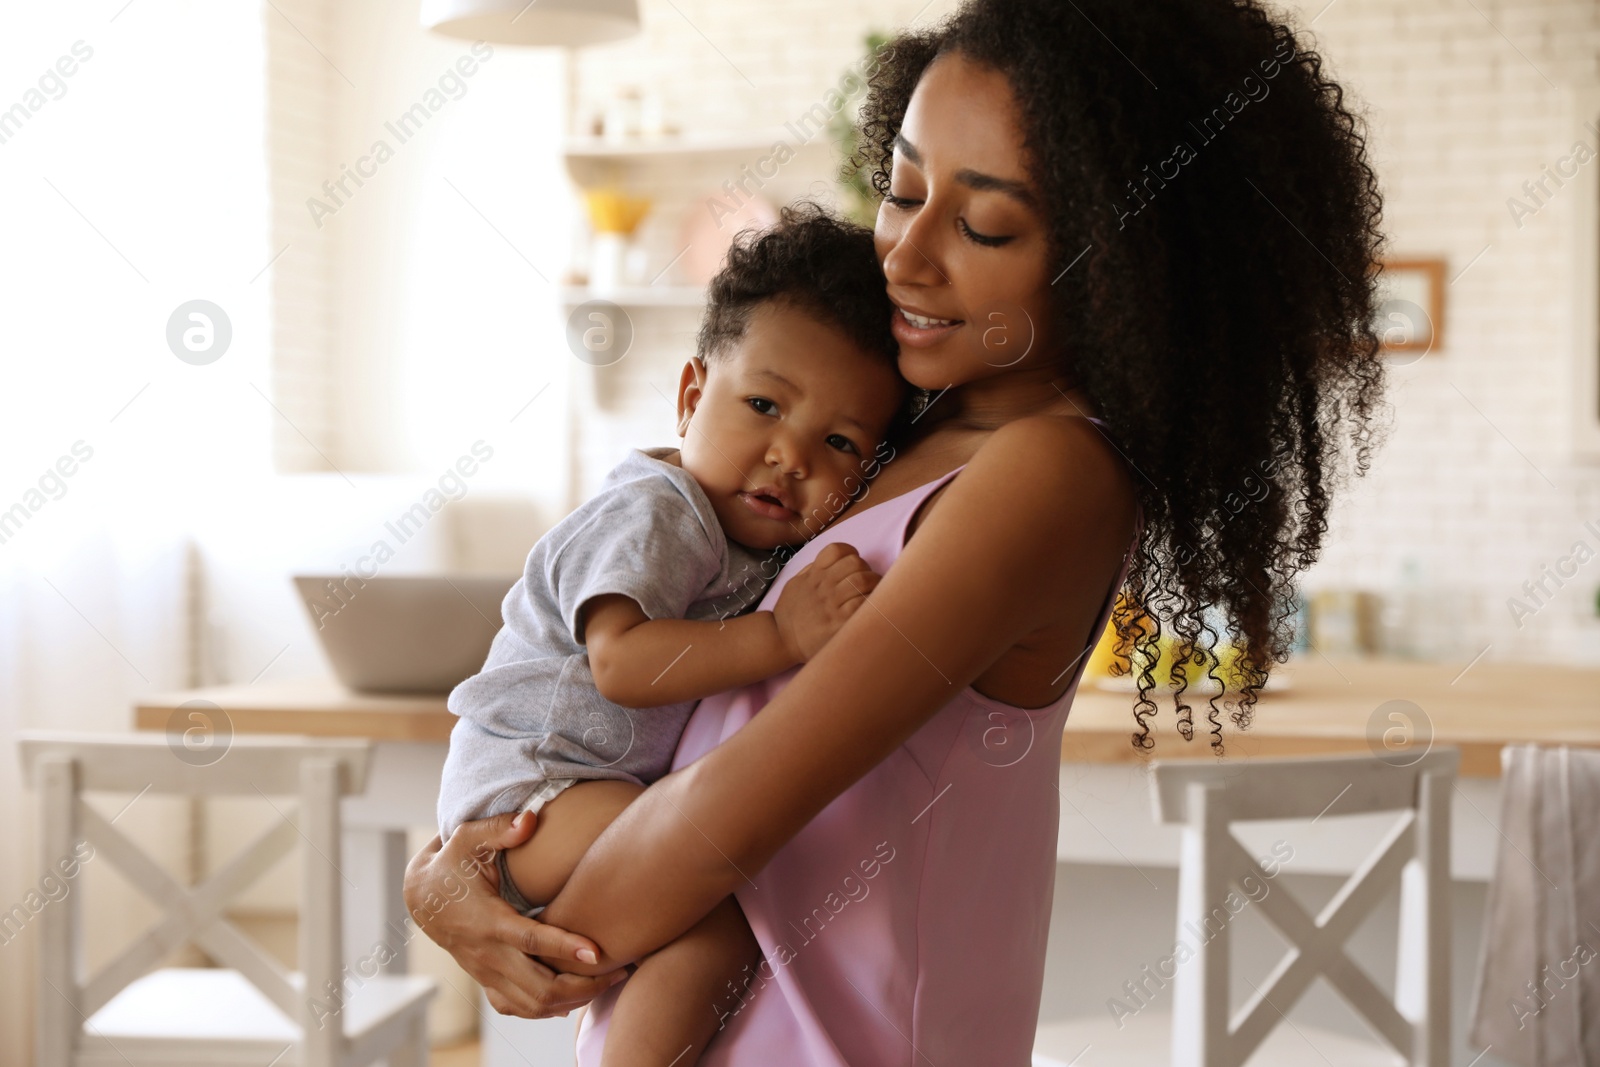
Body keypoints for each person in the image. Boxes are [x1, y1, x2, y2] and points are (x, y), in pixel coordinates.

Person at [404, 0, 1387, 1061]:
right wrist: (454, 866)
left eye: (983, 226)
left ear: (1122, 258)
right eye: (902, 191)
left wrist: (487, 885)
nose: (906, 256)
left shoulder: (1047, 474)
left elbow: (726, 814)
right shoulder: (894, 434)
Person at [432, 205, 911, 1065]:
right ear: (692, 394)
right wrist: (783, 635)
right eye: (764, 404)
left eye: (837, 441)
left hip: (578, 792)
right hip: (535, 790)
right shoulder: (660, 510)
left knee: (711, 937)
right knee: (717, 892)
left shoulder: (755, 539)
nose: (789, 455)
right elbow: (621, 660)